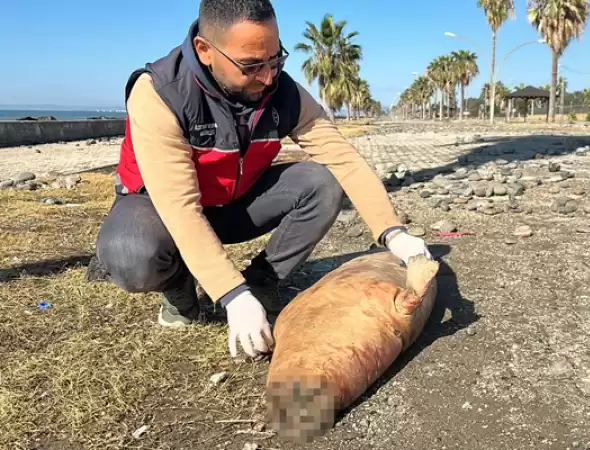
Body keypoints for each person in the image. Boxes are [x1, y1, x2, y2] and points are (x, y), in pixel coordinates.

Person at [94, 0, 431, 360]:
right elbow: (179, 206)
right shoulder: (160, 92)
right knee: (130, 253)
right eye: (252, 65)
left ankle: (261, 282)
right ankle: (179, 287)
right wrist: (231, 295)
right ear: (205, 50)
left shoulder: (282, 93)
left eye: (276, 59)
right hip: (160, 211)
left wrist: (392, 232)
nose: (268, 76)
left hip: (232, 206)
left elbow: (343, 159)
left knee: (322, 183)